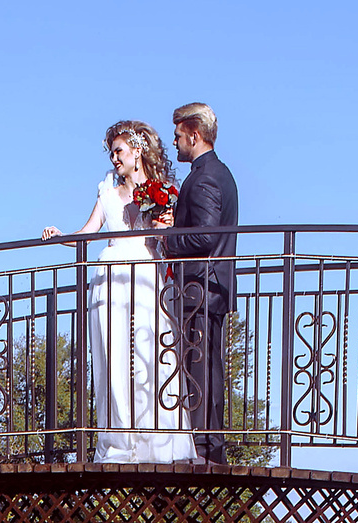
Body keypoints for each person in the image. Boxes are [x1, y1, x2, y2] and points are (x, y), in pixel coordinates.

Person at [42, 121, 193, 464]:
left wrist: (161, 227)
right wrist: (60, 235)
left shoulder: (162, 190)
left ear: (137, 151)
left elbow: (165, 239)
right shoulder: (107, 191)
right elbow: (87, 231)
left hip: (145, 276)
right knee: (113, 357)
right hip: (109, 278)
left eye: (119, 150)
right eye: (111, 152)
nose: (114, 158)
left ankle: (157, 438)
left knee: (148, 352)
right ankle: (120, 438)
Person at [156, 102, 238, 464]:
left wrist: (168, 237)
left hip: (201, 287)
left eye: (177, 136)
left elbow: (204, 237)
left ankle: (207, 449)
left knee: (201, 368)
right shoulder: (219, 173)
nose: (175, 143)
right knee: (206, 366)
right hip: (210, 286)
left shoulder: (204, 177)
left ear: (194, 134)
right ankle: (208, 446)